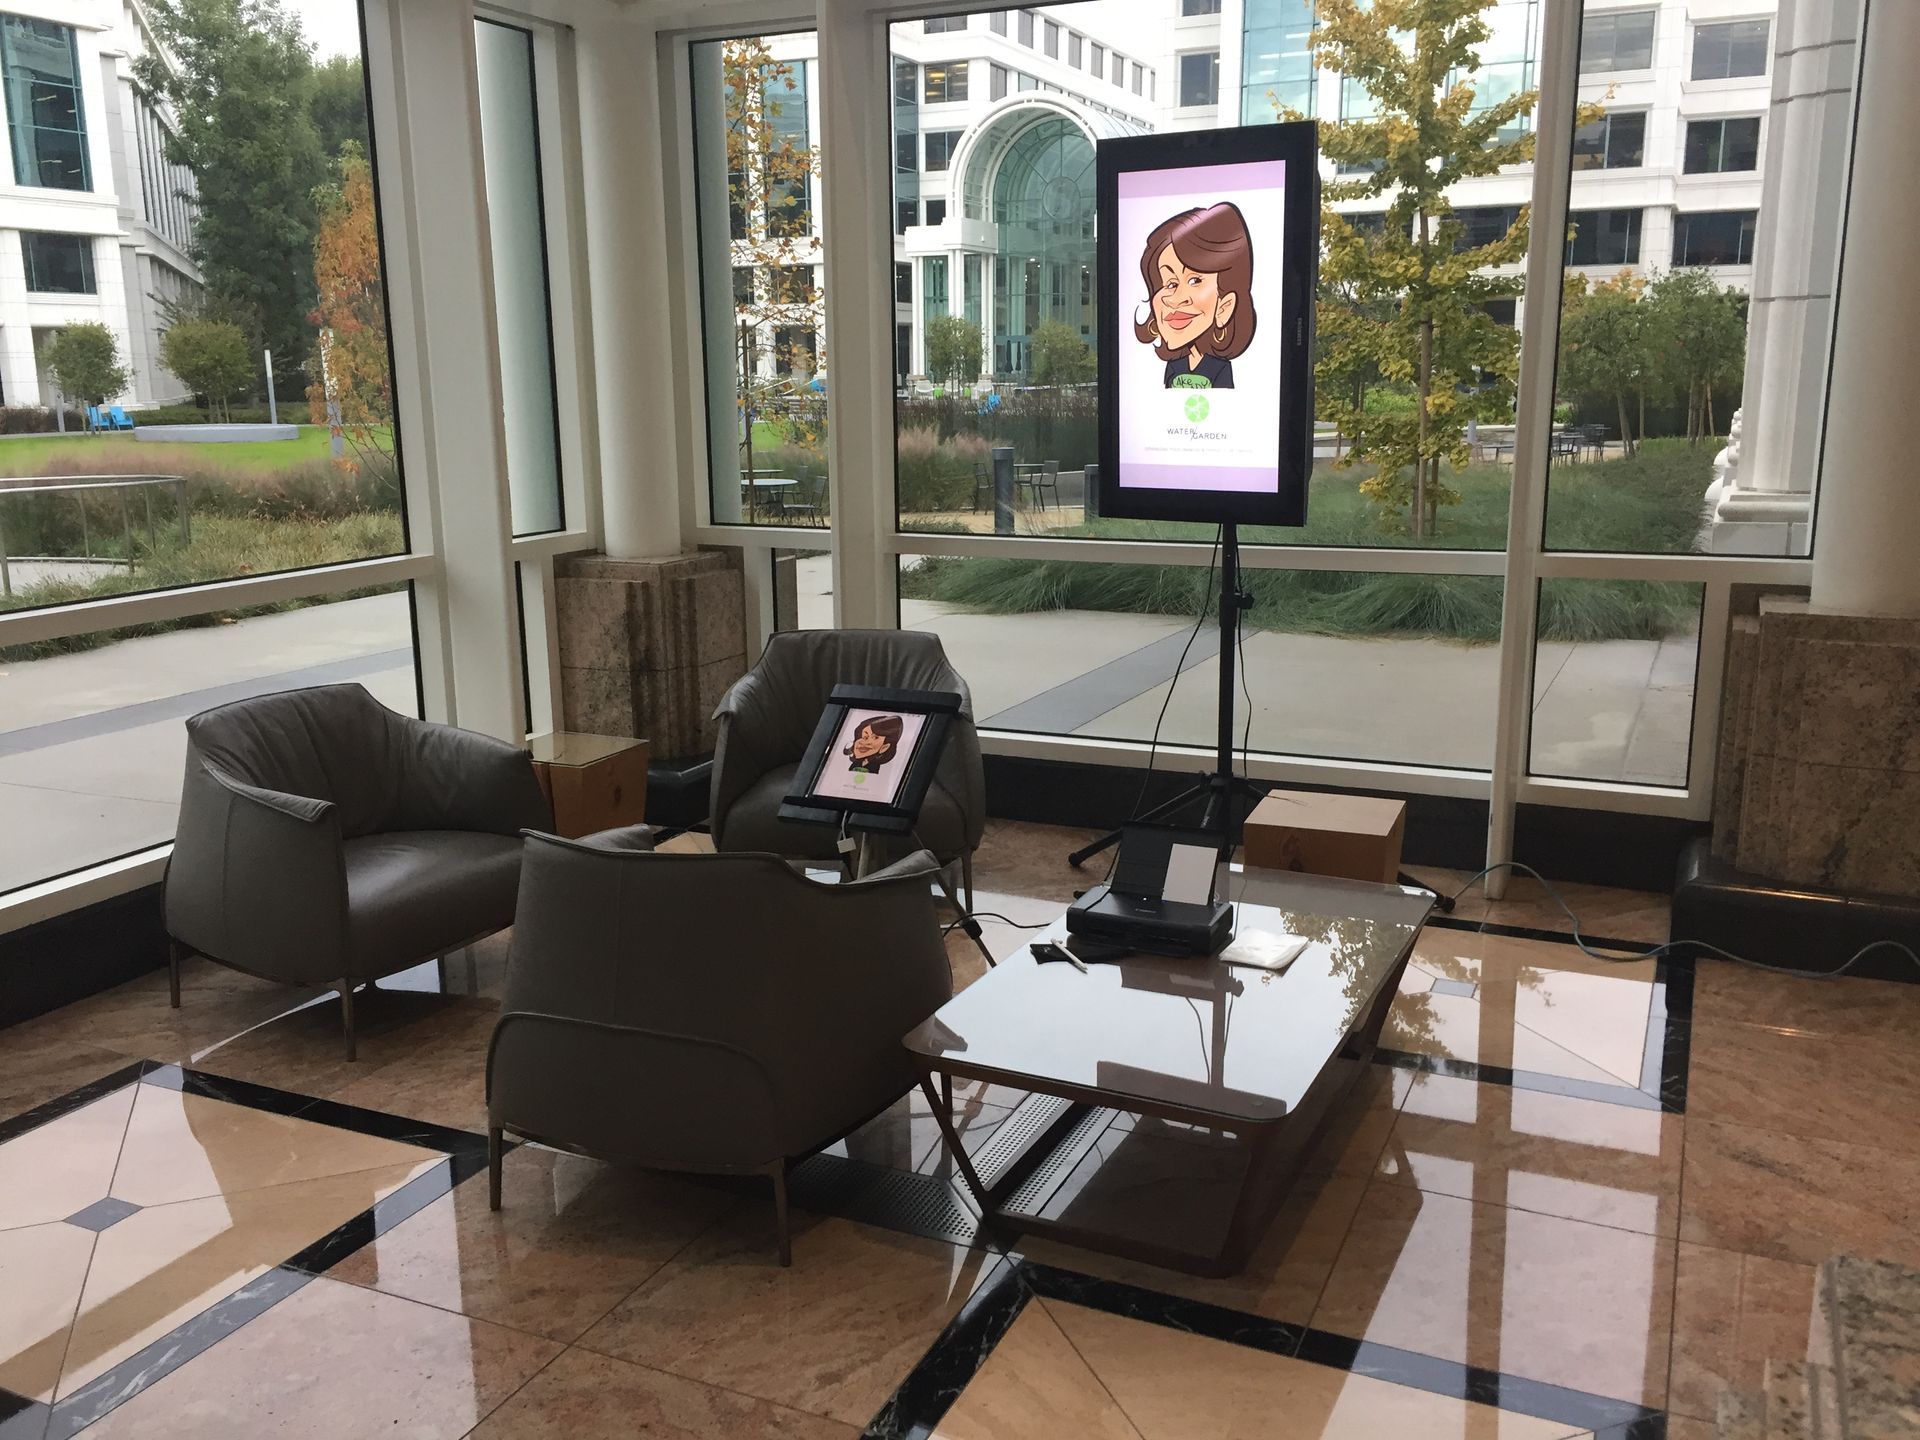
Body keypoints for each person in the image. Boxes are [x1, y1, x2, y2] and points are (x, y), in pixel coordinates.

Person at [1133, 201, 1258, 390]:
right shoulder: (1174, 366)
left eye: (1194, 281)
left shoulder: (1220, 368)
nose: (1175, 298)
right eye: (1170, 284)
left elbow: (1228, 408)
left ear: (1225, 307)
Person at [843, 714, 906, 782]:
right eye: (864, 736)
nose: (865, 742)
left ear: (884, 747)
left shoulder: (875, 770)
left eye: (875, 737)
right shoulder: (856, 763)